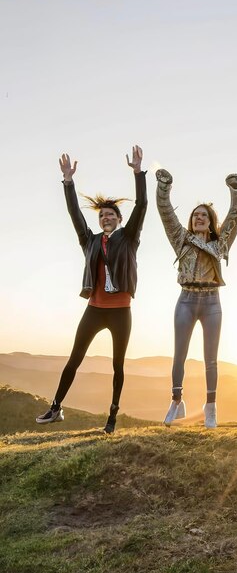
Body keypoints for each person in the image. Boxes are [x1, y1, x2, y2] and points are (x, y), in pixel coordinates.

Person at [36, 146, 147, 433]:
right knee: (74, 359)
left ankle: (112, 417)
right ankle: (56, 408)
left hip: (121, 311)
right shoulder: (91, 241)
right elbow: (74, 214)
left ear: (119, 219)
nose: (106, 218)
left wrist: (137, 173)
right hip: (95, 310)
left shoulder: (129, 238)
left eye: (111, 214)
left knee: (118, 366)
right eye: (102, 216)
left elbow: (142, 205)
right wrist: (68, 182)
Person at [155, 168, 237, 428]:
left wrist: (236, 189)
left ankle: (211, 407)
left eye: (204, 215)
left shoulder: (220, 244)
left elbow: (236, 215)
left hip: (212, 302)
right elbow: (165, 211)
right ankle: (176, 401)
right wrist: (164, 185)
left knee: (211, 358)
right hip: (186, 299)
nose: (199, 218)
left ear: (211, 220)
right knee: (179, 355)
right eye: (195, 215)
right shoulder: (181, 240)